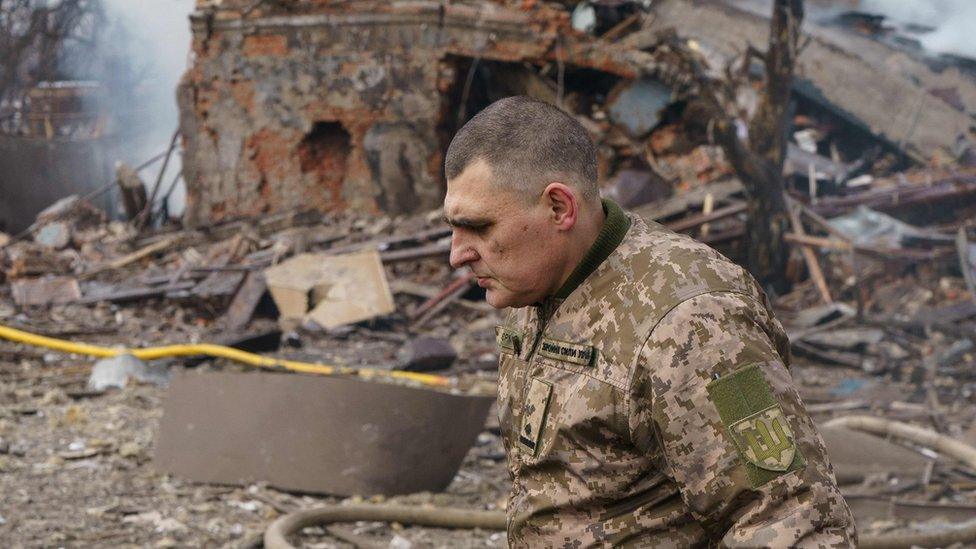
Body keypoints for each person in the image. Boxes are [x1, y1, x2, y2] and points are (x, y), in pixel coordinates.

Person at [442, 96, 856, 547]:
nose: (457, 254)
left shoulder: (696, 322)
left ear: (559, 208)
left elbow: (793, 517)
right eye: (453, 228)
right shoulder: (534, 284)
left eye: (479, 228)